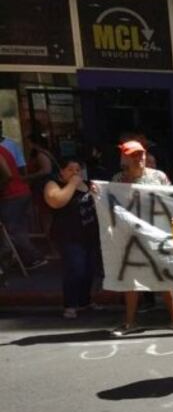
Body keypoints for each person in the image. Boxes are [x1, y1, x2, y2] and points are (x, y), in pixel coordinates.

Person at [110, 141, 173, 336]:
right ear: (124, 159)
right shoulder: (117, 180)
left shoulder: (158, 177)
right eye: (133, 155)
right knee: (131, 278)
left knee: (163, 274)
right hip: (131, 235)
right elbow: (110, 203)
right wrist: (98, 193)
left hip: (156, 233)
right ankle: (130, 322)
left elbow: (172, 200)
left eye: (141, 154)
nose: (139, 159)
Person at [42, 158, 100, 318]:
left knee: (89, 269)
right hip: (68, 235)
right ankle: (70, 304)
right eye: (70, 170)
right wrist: (73, 184)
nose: (75, 173)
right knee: (75, 269)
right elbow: (56, 201)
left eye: (77, 170)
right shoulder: (53, 184)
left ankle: (85, 301)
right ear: (61, 171)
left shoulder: (88, 185)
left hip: (89, 234)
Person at [0, 133, 47, 270]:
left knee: (12, 230)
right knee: (18, 228)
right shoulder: (6, 148)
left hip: (12, 194)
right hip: (20, 192)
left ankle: (34, 257)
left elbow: (7, 175)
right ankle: (22, 259)